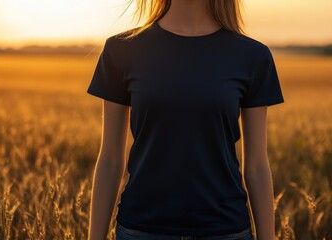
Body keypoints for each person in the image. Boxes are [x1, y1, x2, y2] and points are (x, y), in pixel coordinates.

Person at [86, 0, 284, 239]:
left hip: (225, 230)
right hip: (141, 230)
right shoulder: (121, 50)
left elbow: (257, 166)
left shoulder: (253, 57)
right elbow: (109, 160)